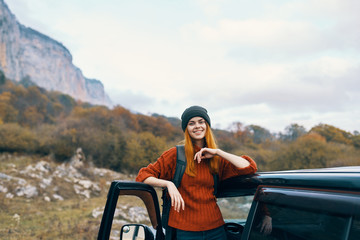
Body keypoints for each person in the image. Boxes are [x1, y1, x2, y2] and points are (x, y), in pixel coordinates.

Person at [136, 105, 257, 240]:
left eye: (201, 122)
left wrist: (217, 152)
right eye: (191, 123)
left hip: (215, 229)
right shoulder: (175, 154)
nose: (197, 126)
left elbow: (249, 167)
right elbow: (143, 176)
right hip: (184, 231)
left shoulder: (216, 158)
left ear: (207, 125)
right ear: (186, 129)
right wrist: (168, 184)